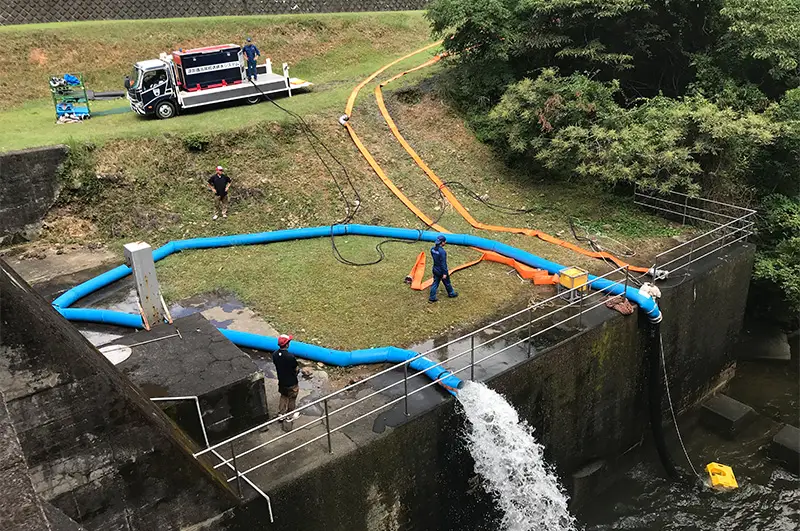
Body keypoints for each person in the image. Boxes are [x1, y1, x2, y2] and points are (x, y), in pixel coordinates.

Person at [273, 334, 299, 432]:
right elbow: (296, 368)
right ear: (287, 345)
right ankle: (289, 415)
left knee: (283, 396)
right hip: (292, 382)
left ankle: (281, 414)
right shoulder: (290, 357)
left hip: (282, 382)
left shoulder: (275, 354)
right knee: (292, 398)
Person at [429, 235, 458, 302]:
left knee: (435, 283)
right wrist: (445, 273)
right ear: (442, 242)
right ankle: (451, 293)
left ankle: (432, 297)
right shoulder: (442, 252)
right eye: (444, 241)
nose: (445, 242)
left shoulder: (432, 249)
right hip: (441, 271)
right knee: (447, 282)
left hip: (435, 269)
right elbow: (443, 264)